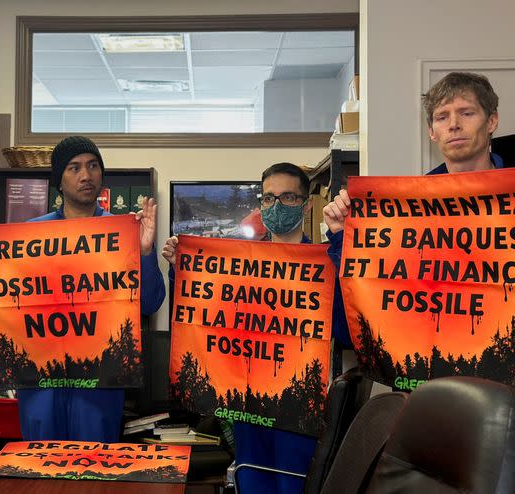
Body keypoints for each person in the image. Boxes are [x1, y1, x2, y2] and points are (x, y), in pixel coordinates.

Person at [162, 162, 350, 493]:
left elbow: (345, 329)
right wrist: (183, 270)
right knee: (253, 483)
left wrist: (340, 245)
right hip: (250, 411)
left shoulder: (322, 263)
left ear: (305, 205)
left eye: (288, 197)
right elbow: (206, 313)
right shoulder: (241, 263)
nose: (276, 205)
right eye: (268, 198)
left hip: (299, 410)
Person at [0, 135, 165, 443]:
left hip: (100, 382)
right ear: (59, 179)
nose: (86, 175)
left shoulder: (122, 231)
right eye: (74, 168)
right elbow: (7, 302)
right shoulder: (33, 234)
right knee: (42, 470)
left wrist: (146, 251)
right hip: (42, 382)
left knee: (93, 473)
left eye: (93, 166)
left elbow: (150, 303)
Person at [323, 71, 505, 262]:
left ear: (491, 121)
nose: (454, 125)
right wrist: (343, 232)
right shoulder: (413, 204)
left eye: (466, 113)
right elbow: (374, 276)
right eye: (442, 117)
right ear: (431, 131)